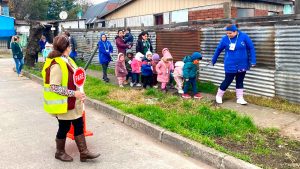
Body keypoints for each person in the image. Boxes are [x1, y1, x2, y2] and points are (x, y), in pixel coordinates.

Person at [42, 35, 100, 162]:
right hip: (64, 104)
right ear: (66, 47)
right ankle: (59, 152)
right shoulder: (57, 64)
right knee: (64, 128)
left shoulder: (67, 60)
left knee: (79, 125)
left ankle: (84, 153)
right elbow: (54, 87)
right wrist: (74, 94)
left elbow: (76, 80)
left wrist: (81, 93)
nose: (71, 47)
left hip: (73, 102)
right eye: (69, 45)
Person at [212, 24, 256, 105]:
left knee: (240, 81)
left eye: (230, 33)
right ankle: (219, 96)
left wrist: (253, 60)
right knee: (228, 80)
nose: (228, 35)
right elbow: (218, 49)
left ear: (236, 31)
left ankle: (240, 98)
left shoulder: (244, 37)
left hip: (242, 64)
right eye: (227, 33)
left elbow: (251, 48)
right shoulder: (225, 39)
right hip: (230, 64)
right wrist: (214, 59)